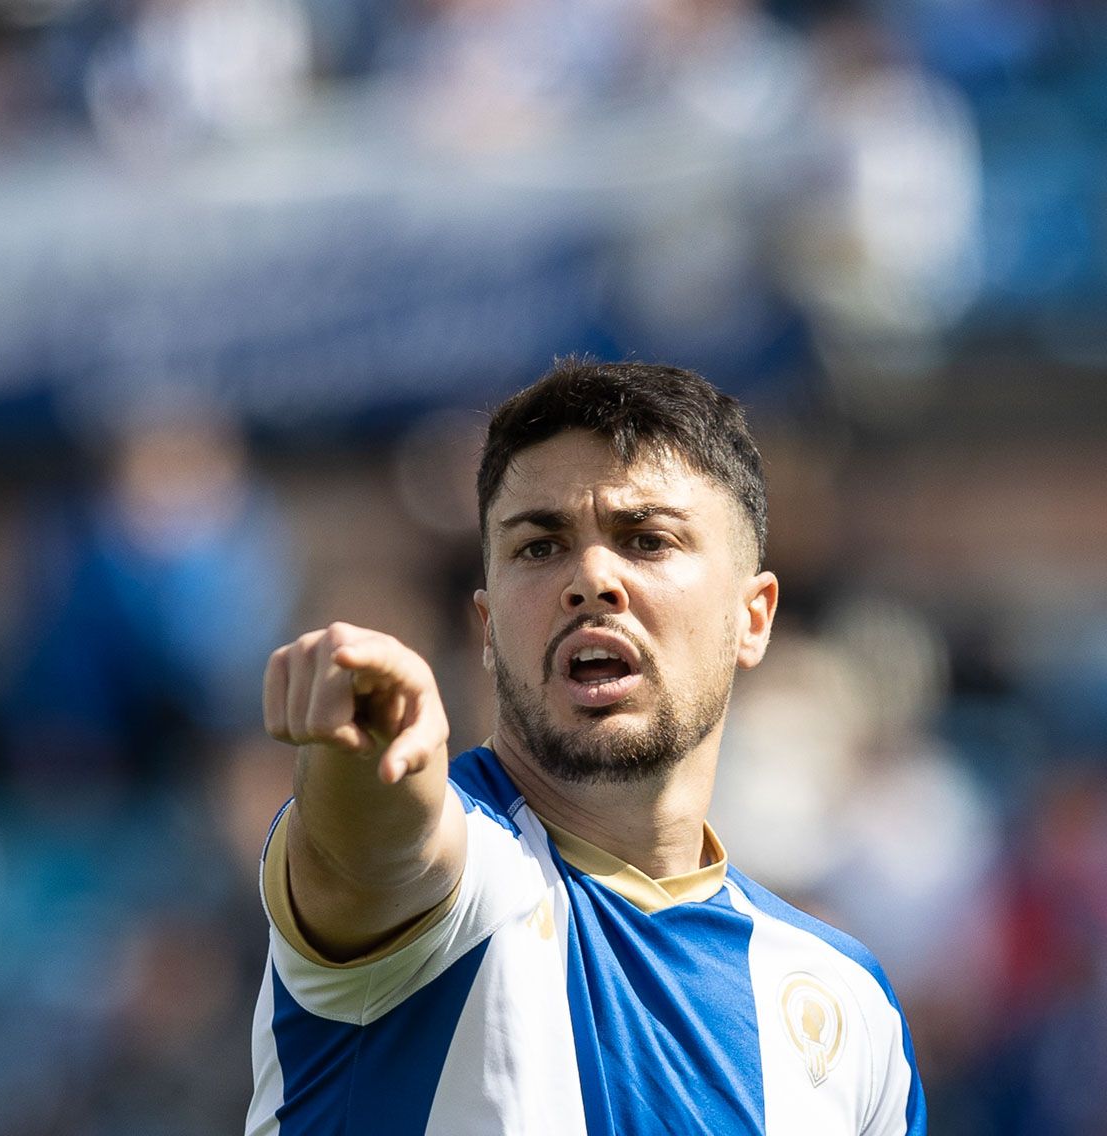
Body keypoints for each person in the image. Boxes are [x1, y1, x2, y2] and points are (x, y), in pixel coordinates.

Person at [249, 360, 924, 1134]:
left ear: (755, 617)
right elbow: (372, 847)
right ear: (488, 628)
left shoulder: (847, 1004)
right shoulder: (463, 878)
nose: (592, 577)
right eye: (540, 547)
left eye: (646, 539)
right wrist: (365, 752)